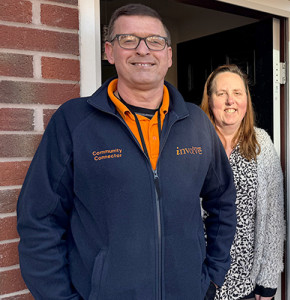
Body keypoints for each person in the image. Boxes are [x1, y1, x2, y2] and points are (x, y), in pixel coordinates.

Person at [16, 4, 236, 299]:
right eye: (128, 40)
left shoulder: (196, 122)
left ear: (168, 55)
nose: (143, 50)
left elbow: (223, 201)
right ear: (109, 51)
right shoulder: (75, 122)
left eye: (155, 41)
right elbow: (39, 219)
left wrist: (211, 277)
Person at [200, 64, 285, 300]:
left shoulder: (262, 143)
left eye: (238, 93)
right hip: (198, 280)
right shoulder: (194, 143)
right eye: (221, 94)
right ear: (209, 99)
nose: (230, 101)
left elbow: (274, 218)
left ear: (246, 99)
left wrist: (268, 281)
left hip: (245, 283)